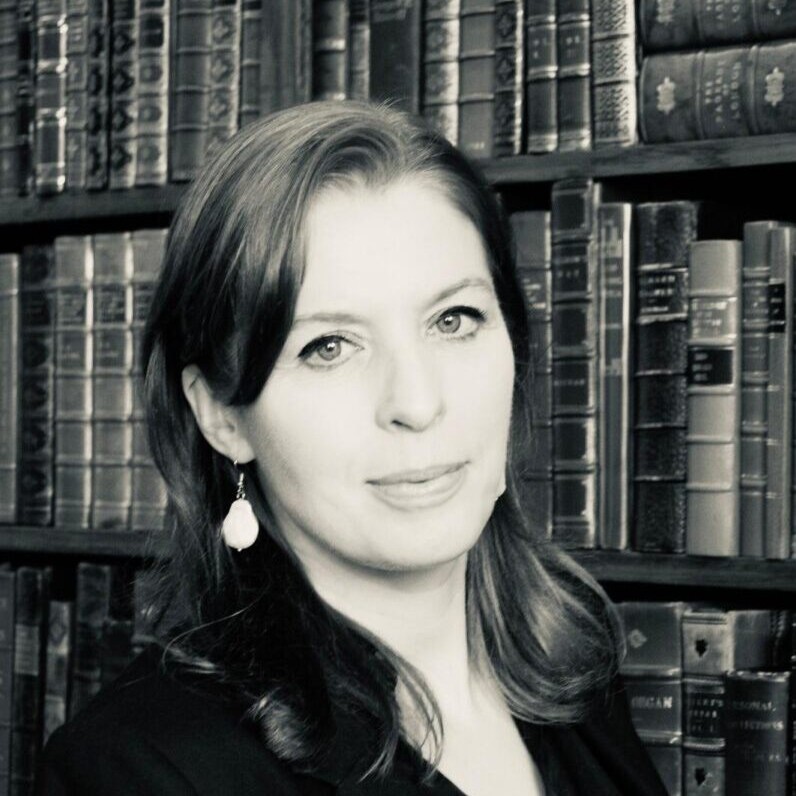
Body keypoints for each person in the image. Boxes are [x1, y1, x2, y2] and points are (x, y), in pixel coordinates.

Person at [39, 101, 667, 796]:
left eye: (454, 320)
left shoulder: (576, 667)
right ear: (221, 413)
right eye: (329, 347)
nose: (417, 404)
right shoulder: (137, 769)